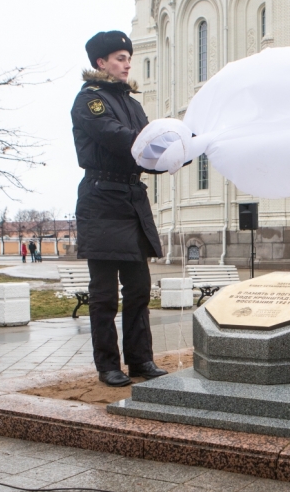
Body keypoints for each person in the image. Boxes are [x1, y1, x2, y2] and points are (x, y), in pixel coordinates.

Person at [72, 30, 171, 387]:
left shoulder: (132, 102)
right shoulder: (90, 100)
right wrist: (161, 146)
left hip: (131, 200)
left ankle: (141, 360)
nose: (127, 63)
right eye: (119, 58)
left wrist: (179, 155)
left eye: (128, 58)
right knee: (104, 295)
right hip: (101, 201)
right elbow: (118, 137)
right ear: (101, 62)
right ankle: (108, 366)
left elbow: (147, 154)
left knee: (140, 289)